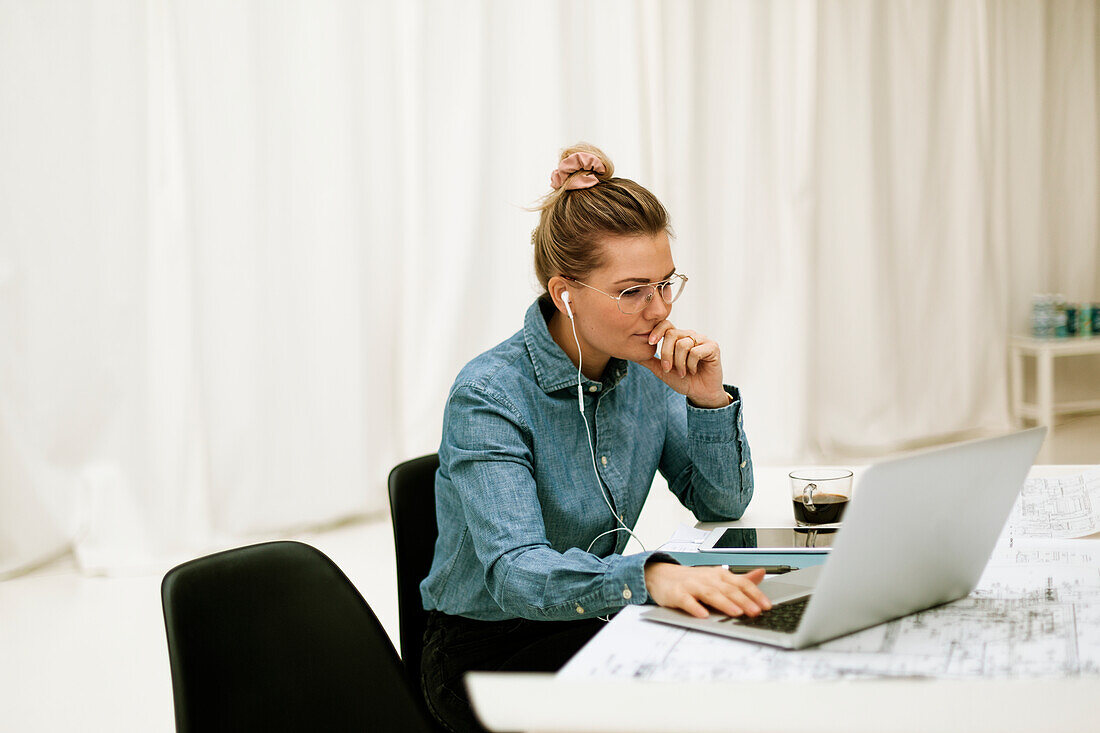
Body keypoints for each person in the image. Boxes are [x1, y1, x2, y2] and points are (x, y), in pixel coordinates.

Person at [419, 143, 769, 733]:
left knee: (738, 672)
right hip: (486, 657)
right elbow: (517, 573)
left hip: (594, 620)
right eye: (632, 291)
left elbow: (722, 504)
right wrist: (650, 576)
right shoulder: (489, 394)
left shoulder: (646, 368)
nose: (658, 310)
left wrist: (708, 400)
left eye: (665, 285)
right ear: (565, 294)